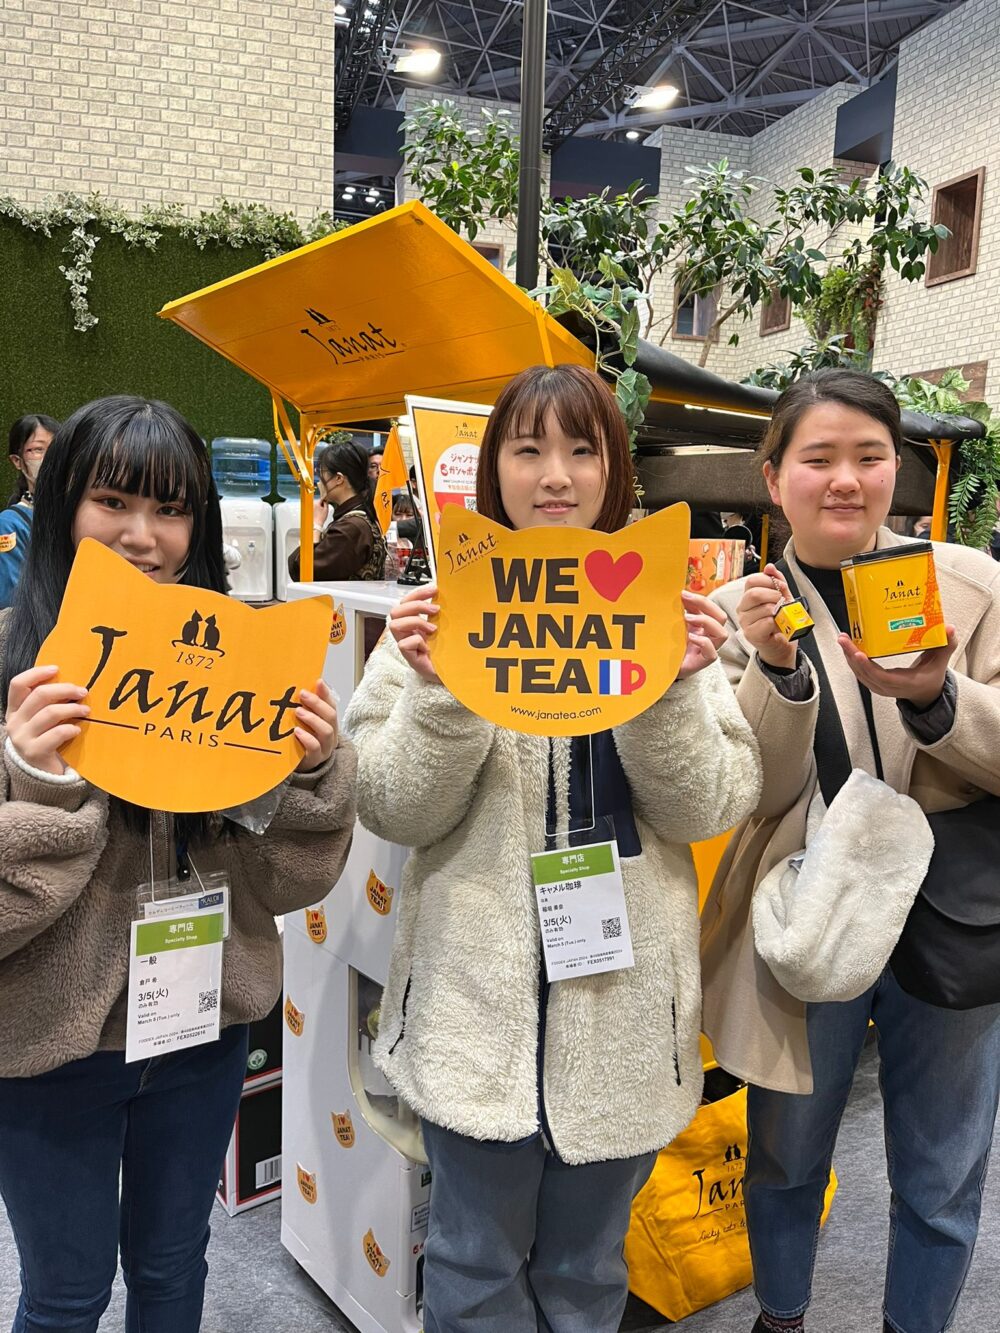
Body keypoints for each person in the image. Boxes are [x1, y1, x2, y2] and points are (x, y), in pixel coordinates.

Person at [345, 363, 763, 1333]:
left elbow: (707, 806)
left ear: (614, 471)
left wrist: (667, 685)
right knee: (468, 1266)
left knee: (583, 1274)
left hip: (619, 1014)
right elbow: (392, 805)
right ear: (491, 470)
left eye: (582, 448)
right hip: (468, 1017)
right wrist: (442, 682)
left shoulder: (662, 607)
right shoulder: (439, 610)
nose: (555, 474)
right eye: (527, 448)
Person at [0, 395, 357, 1332]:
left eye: (171, 509)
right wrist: (36, 778)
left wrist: (313, 772)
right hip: (45, 1048)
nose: (142, 537)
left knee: (171, 1267)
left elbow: (291, 880)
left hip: (199, 1031)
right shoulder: (13, 668)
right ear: (60, 501)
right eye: (112, 502)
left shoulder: (237, 663)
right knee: (65, 1296)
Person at [700, 369, 1000, 1333]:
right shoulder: (745, 612)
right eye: (816, 458)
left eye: (868, 456)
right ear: (772, 475)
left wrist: (934, 698)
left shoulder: (970, 587)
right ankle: (780, 1317)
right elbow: (753, 791)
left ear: (897, 469)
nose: (845, 479)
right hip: (806, 908)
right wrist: (778, 673)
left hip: (953, 907)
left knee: (943, 1173)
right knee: (786, 1148)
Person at [288, 438, 386, 582]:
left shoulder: (350, 528)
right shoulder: (363, 515)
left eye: (322, 473)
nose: (319, 481)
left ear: (339, 478)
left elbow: (302, 569)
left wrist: (315, 525)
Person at [0, 413, 59, 608]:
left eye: (55, 448)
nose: (49, 457)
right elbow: (12, 600)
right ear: (17, 461)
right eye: (38, 450)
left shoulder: (79, 512)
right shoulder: (9, 524)